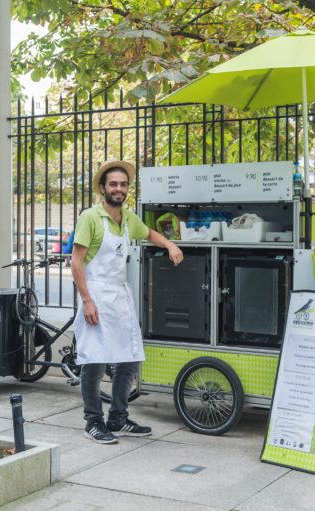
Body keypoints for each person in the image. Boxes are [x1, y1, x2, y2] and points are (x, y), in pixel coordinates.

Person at [71, 159, 183, 444]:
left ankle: (118, 418)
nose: (119, 189)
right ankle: (93, 422)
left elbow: (148, 233)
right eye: (113, 184)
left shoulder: (128, 218)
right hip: (95, 294)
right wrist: (87, 301)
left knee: (129, 358)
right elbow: (76, 263)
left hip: (119, 296)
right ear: (102, 188)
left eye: (123, 185)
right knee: (94, 362)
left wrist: (169, 244)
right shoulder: (91, 218)